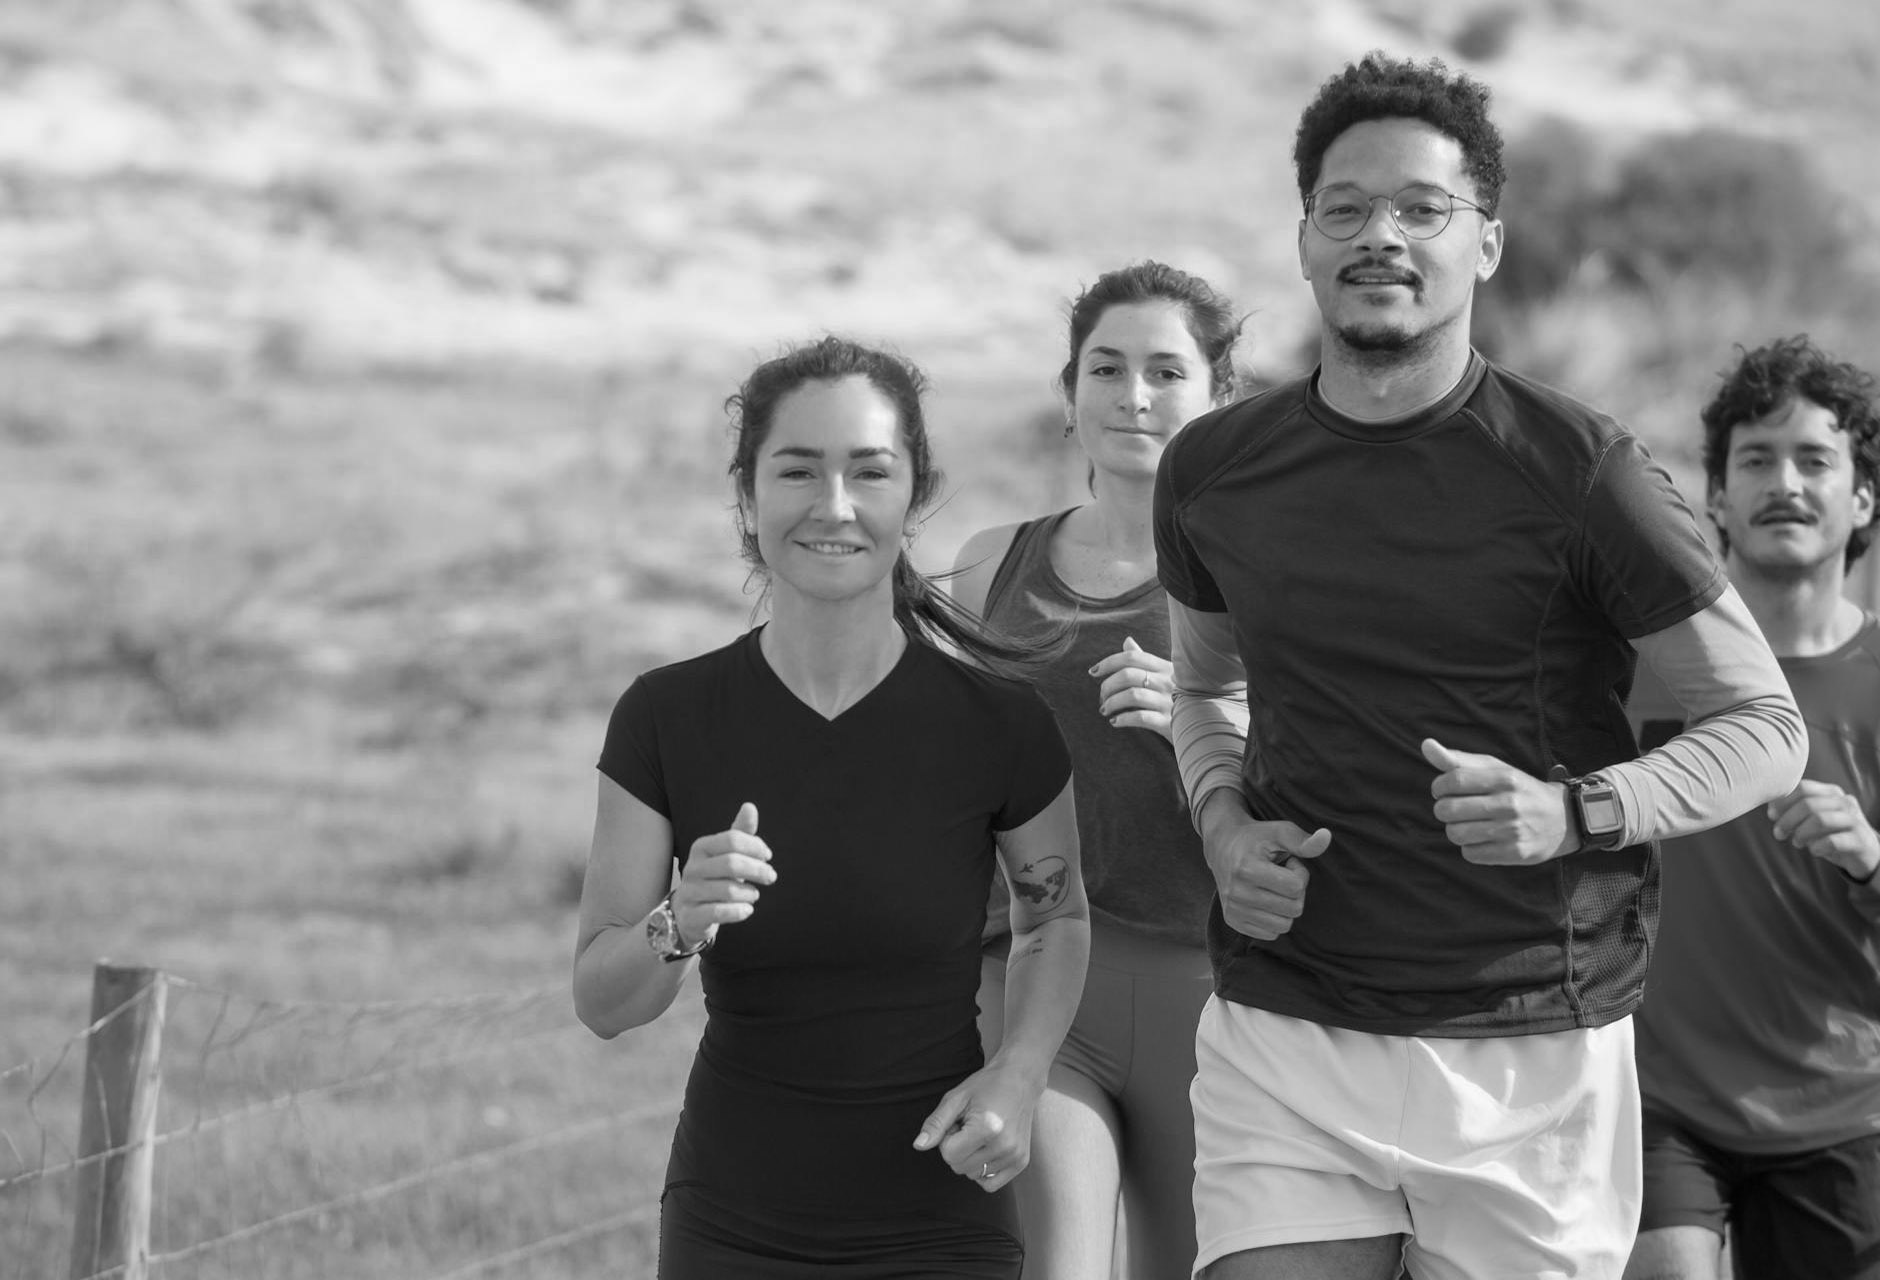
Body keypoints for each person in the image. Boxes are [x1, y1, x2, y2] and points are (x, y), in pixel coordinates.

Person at [1151, 53, 1808, 1280]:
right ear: (1302, 240)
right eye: (1344, 207)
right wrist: (1224, 819)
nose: (1379, 236)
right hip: (1286, 1025)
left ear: (1488, 245)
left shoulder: (1585, 473)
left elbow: (1763, 724)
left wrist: (1576, 810)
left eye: (1421, 207)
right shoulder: (1213, 471)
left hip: (1532, 1047)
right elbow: (1206, 690)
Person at [573, 336, 1091, 1279]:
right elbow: (602, 1002)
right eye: (798, 470)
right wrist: (677, 922)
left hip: (943, 1217)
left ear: (914, 493)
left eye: (870, 471)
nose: (835, 505)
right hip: (731, 1223)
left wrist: (1020, 1072)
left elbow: (1057, 918)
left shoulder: (998, 724)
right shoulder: (665, 717)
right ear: (748, 495)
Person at [951, 261, 1243, 1280]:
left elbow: (1333, 783)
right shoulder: (992, 566)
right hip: (1033, 980)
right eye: (1106, 367)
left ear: (1219, 396)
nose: (1133, 395)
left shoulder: (1263, 583)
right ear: (1067, 390)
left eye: (1167, 370)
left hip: (1209, 990)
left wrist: (1207, 718)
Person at [1622, 336, 1880, 1280]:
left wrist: (1871, 858)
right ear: (1718, 497)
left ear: (1861, 498)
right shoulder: (1648, 667)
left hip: (1843, 1108)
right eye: (1757, 459)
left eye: (1816, 460)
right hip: (1661, 1096)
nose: (1787, 483)